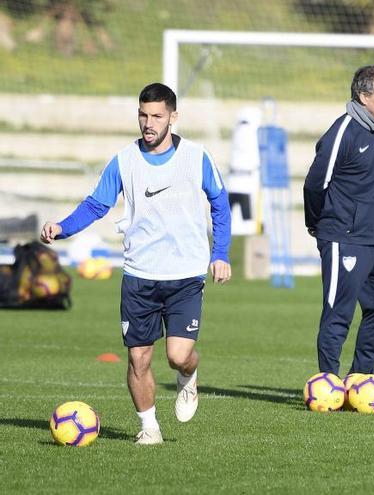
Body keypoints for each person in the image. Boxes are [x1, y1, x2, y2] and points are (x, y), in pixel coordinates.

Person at [40, 82, 232, 445]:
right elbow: (97, 205)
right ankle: (149, 427)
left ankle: (189, 376)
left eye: (157, 116)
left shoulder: (196, 157)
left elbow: (220, 205)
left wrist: (220, 253)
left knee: (177, 356)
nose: (148, 123)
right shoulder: (124, 160)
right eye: (143, 115)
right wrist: (62, 228)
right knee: (138, 359)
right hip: (140, 275)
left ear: (173, 117)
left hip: (185, 273)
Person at [303, 65, 374, 378]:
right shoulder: (343, 130)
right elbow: (315, 183)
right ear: (363, 96)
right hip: (343, 235)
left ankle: (360, 376)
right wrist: (318, 224)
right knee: (339, 311)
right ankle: (327, 380)